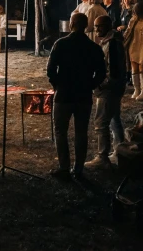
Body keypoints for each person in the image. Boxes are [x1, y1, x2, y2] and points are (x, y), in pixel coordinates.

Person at [46, 13, 106, 179]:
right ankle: (78, 168)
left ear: (71, 24)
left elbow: (50, 70)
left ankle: (64, 167)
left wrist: (57, 85)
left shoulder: (61, 44)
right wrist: (91, 85)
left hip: (64, 94)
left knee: (60, 131)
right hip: (83, 95)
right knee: (81, 132)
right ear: (86, 26)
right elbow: (101, 72)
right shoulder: (94, 47)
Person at [86, 16, 126, 170]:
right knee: (114, 119)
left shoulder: (112, 44)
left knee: (101, 122)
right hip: (112, 87)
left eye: (99, 27)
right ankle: (119, 151)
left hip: (109, 88)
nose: (96, 30)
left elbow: (114, 72)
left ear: (108, 26)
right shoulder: (110, 41)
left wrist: (100, 85)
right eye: (95, 26)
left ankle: (102, 156)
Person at [123, 2, 143, 101]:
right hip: (134, 44)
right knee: (134, 66)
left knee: (142, 66)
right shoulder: (133, 19)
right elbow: (128, 31)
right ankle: (137, 89)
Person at [118, 0, 135, 84]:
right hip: (123, 34)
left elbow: (131, 23)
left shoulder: (132, 10)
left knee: (129, 56)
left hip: (130, 35)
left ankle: (131, 77)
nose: (126, 0)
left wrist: (124, 27)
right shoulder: (123, 10)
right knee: (125, 56)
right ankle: (126, 75)